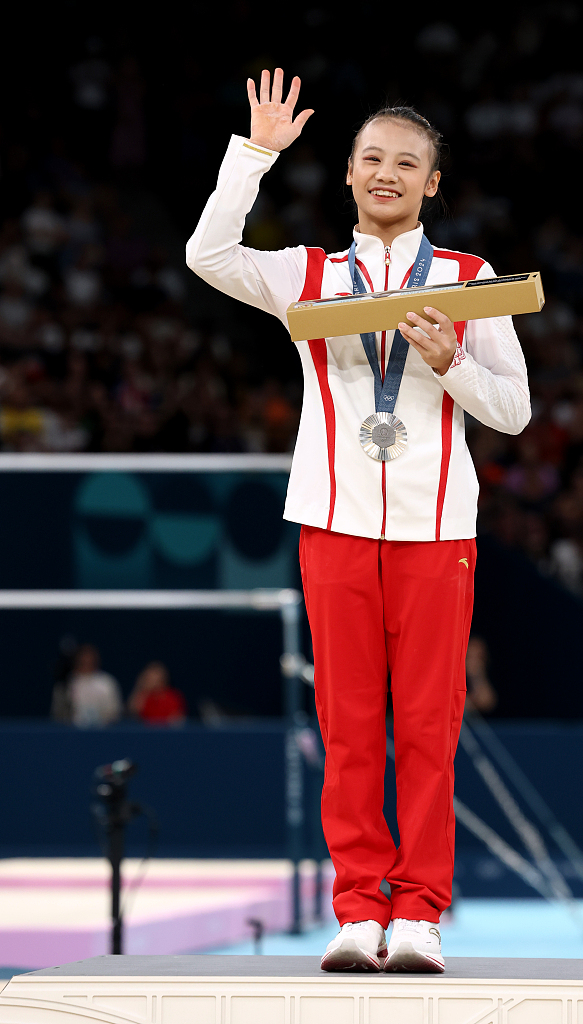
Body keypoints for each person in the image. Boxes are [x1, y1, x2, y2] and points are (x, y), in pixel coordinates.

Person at [186, 69, 531, 973]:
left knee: (426, 724)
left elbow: (514, 411)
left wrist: (452, 358)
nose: (387, 172)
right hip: (333, 520)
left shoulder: (468, 279)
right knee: (348, 724)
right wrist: (254, 154)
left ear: (431, 184)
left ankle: (418, 913)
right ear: (347, 173)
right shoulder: (307, 274)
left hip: (436, 529)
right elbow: (207, 255)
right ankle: (356, 907)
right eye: (372, 157)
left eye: (406, 163)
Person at [64, 643, 122, 728]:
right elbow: (61, 713)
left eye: (89, 658)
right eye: (83, 659)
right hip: (74, 731)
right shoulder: (69, 682)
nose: (86, 661)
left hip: (103, 730)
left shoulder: (106, 682)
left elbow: (115, 711)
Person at [128, 661, 186, 726]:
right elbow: (133, 712)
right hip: (146, 733)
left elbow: (177, 721)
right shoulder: (143, 695)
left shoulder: (173, 697)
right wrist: (140, 686)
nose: (150, 680)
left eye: (153, 677)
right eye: (148, 678)